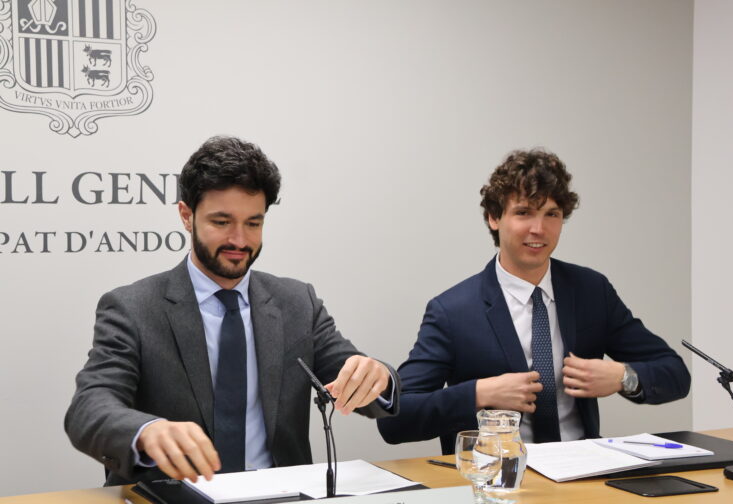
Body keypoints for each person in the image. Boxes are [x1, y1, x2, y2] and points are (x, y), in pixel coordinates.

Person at [65, 136, 399, 485]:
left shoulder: (297, 302)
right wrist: (147, 431)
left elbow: (358, 380)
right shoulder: (133, 308)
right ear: (186, 216)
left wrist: (377, 377)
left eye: (253, 223)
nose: (240, 240)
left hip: (281, 493)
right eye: (222, 222)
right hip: (174, 495)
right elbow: (90, 407)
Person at [377, 148, 689, 454]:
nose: (539, 229)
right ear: (494, 218)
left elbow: (674, 373)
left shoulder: (591, 290)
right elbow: (395, 419)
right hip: (496, 475)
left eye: (551, 214)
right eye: (524, 212)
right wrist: (480, 393)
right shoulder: (452, 311)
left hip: (583, 470)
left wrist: (623, 377)